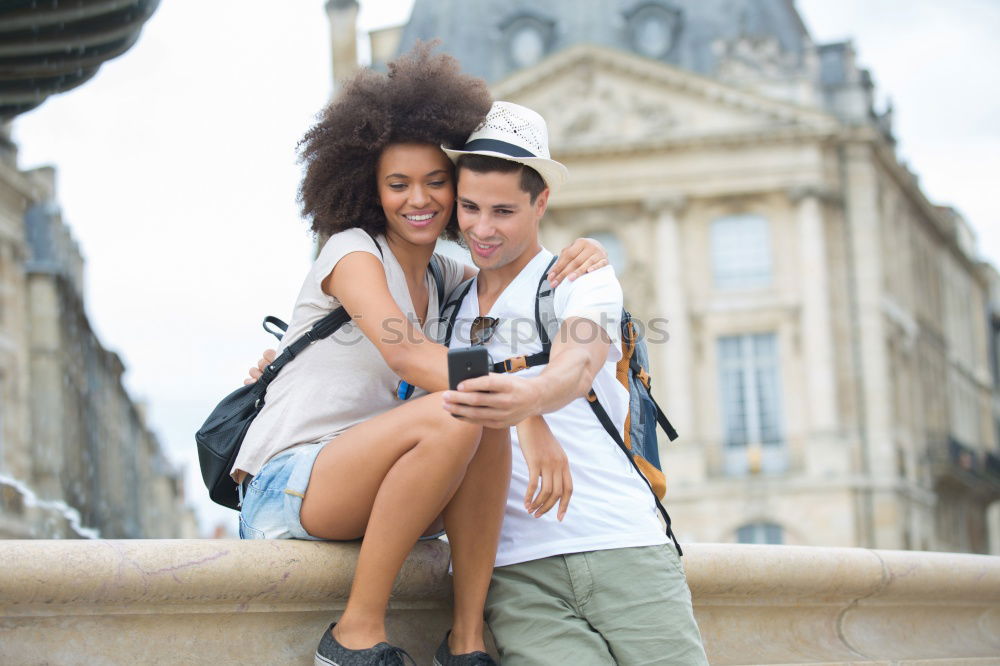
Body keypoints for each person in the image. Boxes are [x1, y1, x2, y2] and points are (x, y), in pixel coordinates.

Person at [235, 47, 609, 666]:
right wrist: (529, 414)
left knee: (476, 415)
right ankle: (353, 633)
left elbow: (515, 263)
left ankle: (465, 641)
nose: (420, 199)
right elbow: (409, 355)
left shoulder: (446, 277)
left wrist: (587, 249)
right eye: (398, 184)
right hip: (290, 485)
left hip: (380, 484)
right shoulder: (351, 252)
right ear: (368, 188)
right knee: (461, 407)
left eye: (437, 182)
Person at [438, 101, 709, 665]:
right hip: (515, 572)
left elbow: (576, 364)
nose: (481, 229)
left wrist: (528, 399)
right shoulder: (447, 305)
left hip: (623, 545)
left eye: (504, 211)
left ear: (541, 203)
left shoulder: (581, 280)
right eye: (469, 207)